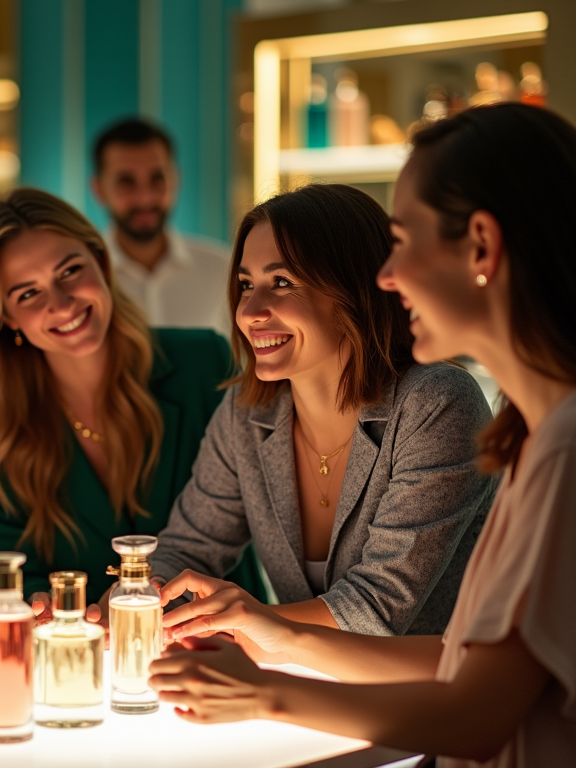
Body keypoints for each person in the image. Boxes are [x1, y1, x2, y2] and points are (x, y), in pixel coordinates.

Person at [148, 103, 576, 766]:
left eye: (403, 242)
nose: (386, 275)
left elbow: (474, 714)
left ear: (484, 246)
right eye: (245, 284)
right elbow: (453, 659)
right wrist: (260, 637)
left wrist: (266, 689)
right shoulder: (535, 436)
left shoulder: (538, 437)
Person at [152, 183, 496, 636]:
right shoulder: (247, 412)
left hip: (441, 698)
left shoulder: (436, 404)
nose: (250, 311)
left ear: (352, 288)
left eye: (281, 283)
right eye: (245, 285)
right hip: (314, 692)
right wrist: (136, 599)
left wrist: (241, 621)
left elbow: (376, 610)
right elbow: (188, 548)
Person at [0, 187, 267, 615]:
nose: (61, 303)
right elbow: (17, 566)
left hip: (223, 639)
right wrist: (39, 605)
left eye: (69, 271)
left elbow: (254, 514)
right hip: (87, 651)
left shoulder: (202, 360)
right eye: (28, 293)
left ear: (100, 263)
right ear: (7, 315)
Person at [91, 117, 230, 333]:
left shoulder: (224, 270)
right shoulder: (84, 277)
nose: (145, 198)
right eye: (126, 182)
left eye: (157, 179)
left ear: (175, 180)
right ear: (99, 189)